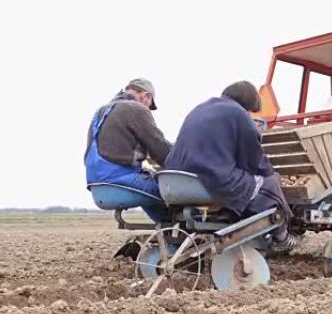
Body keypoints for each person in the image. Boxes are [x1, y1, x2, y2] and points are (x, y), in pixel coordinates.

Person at [165, 81, 298, 251]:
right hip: (209, 179)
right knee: (269, 181)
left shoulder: (200, 108)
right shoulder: (238, 113)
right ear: (249, 103)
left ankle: (229, 214)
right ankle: (282, 236)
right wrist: (270, 171)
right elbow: (253, 159)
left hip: (176, 178)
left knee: (247, 182)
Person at [84, 78, 172, 222]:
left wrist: (157, 165)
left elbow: (148, 155)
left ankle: (166, 231)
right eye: (149, 105)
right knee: (171, 189)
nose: (148, 108)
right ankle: (177, 234)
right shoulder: (135, 109)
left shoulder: (101, 111)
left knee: (151, 188)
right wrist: (183, 164)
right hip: (120, 178)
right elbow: (159, 148)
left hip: (96, 183)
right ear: (146, 96)